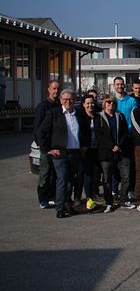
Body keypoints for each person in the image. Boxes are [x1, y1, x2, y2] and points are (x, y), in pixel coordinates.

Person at [38, 89, 90, 218]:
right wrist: (47, 149)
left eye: (70, 99)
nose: (68, 102)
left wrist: (84, 145)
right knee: (62, 179)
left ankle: (68, 205)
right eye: (65, 99)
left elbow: (86, 131)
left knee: (70, 181)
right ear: (61, 101)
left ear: (74, 100)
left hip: (75, 152)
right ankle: (60, 208)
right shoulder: (54, 113)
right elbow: (41, 132)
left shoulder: (79, 113)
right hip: (60, 153)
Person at [95, 94, 130, 212]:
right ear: (104, 104)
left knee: (126, 177)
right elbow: (99, 135)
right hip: (106, 153)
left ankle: (123, 200)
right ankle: (109, 202)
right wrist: (111, 146)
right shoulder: (98, 117)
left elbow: (125, 132)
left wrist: (118, 145)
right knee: (107, 180)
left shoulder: (120, 116)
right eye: (108, 102)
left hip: (121, 152)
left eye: (113, 103)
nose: (110, 105)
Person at [34, 80, 60, 208]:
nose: (56, 91)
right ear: (49, 89)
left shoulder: (59, 105)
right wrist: (41, 145)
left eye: (58, 89)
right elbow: (37, 128)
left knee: (55, 174)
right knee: (45, 173)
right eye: (54, 88)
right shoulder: (43, 106)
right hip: (46, 147)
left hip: (57, 145)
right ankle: (43, 199)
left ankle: (52, 196)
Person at [112, 76, 137, 202]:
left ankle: (129, 190)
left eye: (122, 84)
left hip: (128, 138)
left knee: (129, 166)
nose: (120, 86)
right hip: (114, 139)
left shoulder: (131, 101)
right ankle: (114, 191)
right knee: (114, 168)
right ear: (114, 86)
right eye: (117, 84)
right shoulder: (111, 100)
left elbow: (133, 119)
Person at [79, 95, 100, 210]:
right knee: (87, 174)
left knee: (97, 173)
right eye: (87, 103)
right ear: (83, 104)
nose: (90, 105)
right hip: (85, 149)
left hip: (97, 148)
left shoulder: (98, 116)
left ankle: (95, 194)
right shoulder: (81, 117)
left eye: (92, 103)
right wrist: (82, 146)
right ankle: (88, 197)